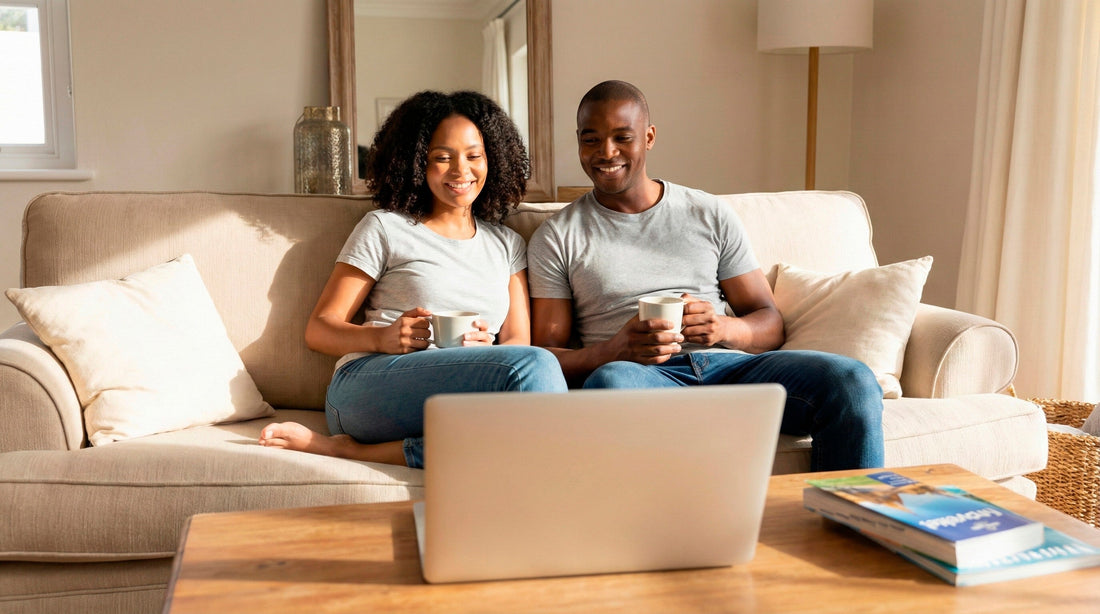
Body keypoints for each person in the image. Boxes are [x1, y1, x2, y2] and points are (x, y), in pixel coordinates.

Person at [526, 80, 883, 471]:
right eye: (591, 140)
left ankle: (850, 524)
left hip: (730, 370)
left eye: (622, 137)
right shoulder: (558, 236)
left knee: (850, 379)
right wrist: (615, 350)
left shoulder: (707, 213)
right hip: (640, 380)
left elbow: (769, 321)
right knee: (610, 384)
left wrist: (722, 328)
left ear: (649, 137)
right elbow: (546, 358)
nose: (606, 152)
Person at [260, 90, 567, 468]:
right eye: (442, 157)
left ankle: (349, 451)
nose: (461, 171)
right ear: (417, 162)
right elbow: (319, 330)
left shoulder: (507, 244)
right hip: (368, 383)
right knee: (538, 370)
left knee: (520, 405)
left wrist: (487, 351)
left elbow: (519, 344)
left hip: (468, 388)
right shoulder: (386, 228)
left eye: (474, 156)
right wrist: (383, 338)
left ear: (493, 161)